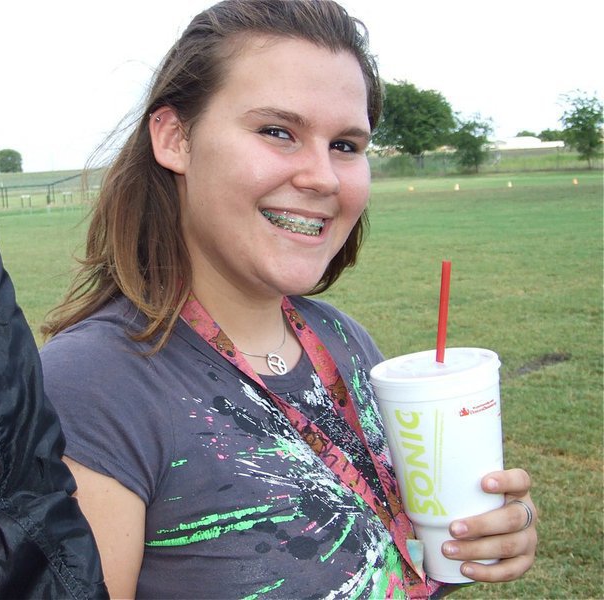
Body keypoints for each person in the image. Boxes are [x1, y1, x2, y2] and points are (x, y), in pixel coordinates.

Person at [40, 1, 538, 598]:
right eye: (279, 132)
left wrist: (469, 542)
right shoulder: (93, 386)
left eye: (347, 145)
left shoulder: (342, 341)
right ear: (175, 139)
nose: (323, 177)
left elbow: (376, 570)